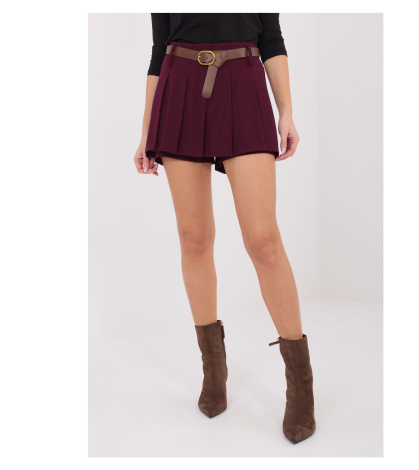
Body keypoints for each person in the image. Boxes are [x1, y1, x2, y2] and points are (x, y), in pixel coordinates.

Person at [134, 13, 316, 444]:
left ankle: (301, 383)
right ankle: (213, 370)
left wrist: (286, 111)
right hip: (179, 88)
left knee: (263, 241)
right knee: (194, 238)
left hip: (243, 83)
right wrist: (145, 133)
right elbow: (159, 52)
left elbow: (271, 39)